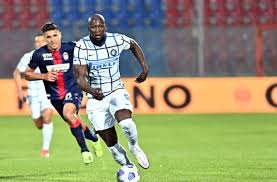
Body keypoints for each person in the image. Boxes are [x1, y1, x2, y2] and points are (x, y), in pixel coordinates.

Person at [73, 14, 150, 169]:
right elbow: (80, 78)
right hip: (96, 98)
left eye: (100, 26)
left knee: (127, 123)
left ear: (105, 26)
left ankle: (134, 147)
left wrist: (144, 68)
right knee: (112, 144)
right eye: (93, 27)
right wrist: (92, 90)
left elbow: (133, 45)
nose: (97, 30)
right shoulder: (82, 46)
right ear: (89, 29)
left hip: (116, 90)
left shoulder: (116, 39)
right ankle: (129, 168)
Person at [24, 22, 103, 164]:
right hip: (55, 96)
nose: (52, 39)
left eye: (55, 35)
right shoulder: (39, 54)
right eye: (49, 37)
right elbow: (27, 74)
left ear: (60, 34)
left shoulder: (72, 48)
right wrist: (44, 76)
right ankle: (94, 138)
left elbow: (90, 55)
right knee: (73, 120)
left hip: (74, 89)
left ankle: (84, 150)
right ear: (45, 38)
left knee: (69, 114)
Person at [13, 33, 54, 158]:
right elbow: (16, 73)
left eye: (41, 41)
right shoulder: (28, 56)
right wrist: (20, 92)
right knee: (38, 123)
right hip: (33, 95)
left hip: (47, 93)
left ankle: (45, 149)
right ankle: (41, 124)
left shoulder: (52, 55)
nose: (39, 43)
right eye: (37, 41)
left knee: (47, 116)